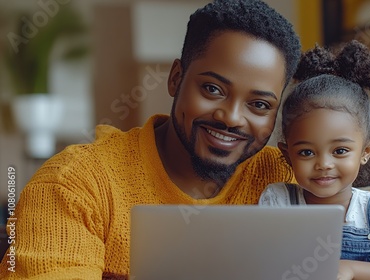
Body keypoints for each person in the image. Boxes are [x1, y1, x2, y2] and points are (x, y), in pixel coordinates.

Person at [0, 0, 301, 279]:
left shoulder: (288, 177)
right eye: (212, 89)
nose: (232, 118)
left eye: (259, 105)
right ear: (175, 79)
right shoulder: (76, 184)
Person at [259, 40, 370, 280]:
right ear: (287, 155)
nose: (324, 164)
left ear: (366, 151)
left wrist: (351, 269)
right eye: (307, 152)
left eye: (340, 151)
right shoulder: (278, 201)